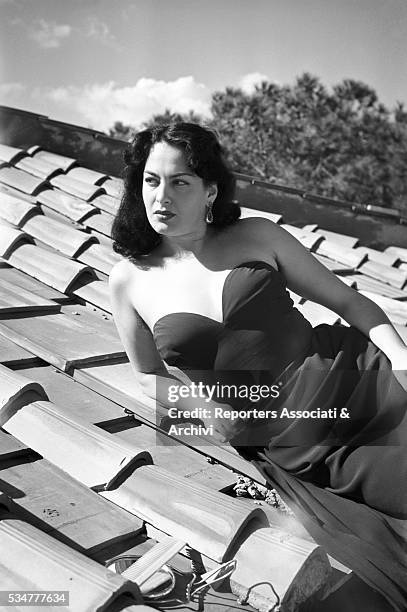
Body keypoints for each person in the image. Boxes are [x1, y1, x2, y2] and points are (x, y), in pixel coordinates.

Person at [109, 122, 407, 611]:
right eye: (150, 180)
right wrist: (199, 407)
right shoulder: (128, 281)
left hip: (355, 382)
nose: (162, 195)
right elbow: (147, 375)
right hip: (285, 438)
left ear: (209, 191)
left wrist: (401, 359)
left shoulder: (256, 235)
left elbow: (351, 303)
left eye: (180, 181)